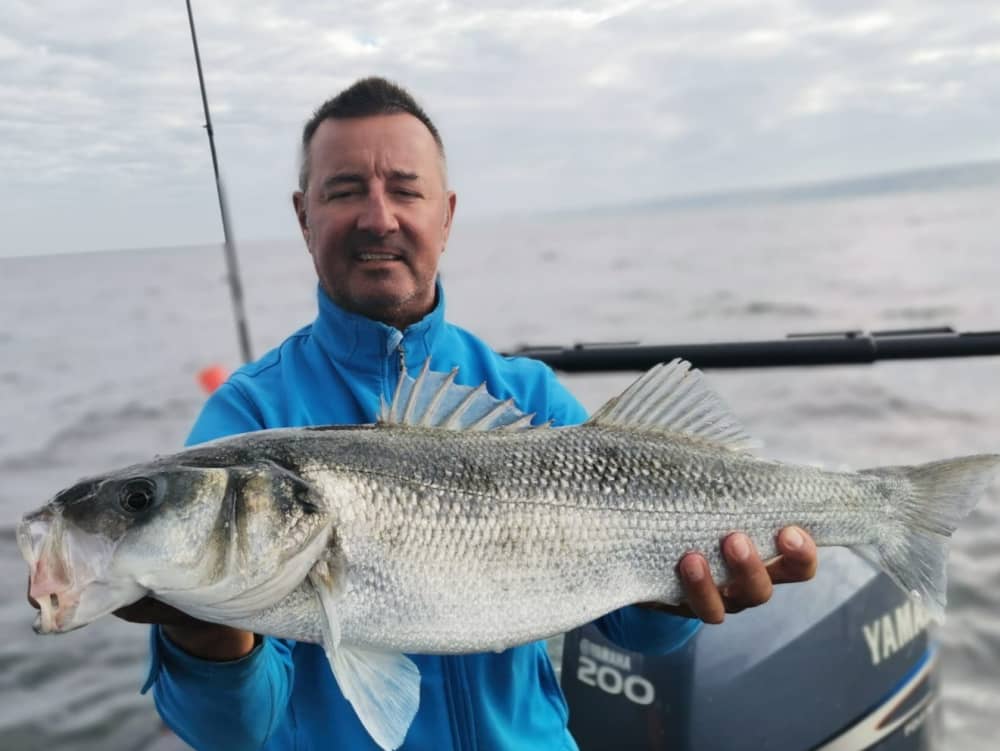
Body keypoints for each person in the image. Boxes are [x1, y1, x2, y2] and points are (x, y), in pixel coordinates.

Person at [115, 77, 818, 750]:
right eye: (345, 190)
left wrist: (682, 600)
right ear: (304, 216)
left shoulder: (527, 396)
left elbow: (633, 629)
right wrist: (204, 635)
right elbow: (233, 731)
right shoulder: (246, 422)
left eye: (405, 190)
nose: (378, 216)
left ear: (445, 215)